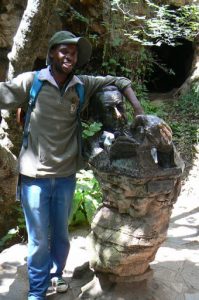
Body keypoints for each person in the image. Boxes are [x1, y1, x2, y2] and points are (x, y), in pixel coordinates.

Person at [0, 30, 144, 300]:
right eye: (64, 51)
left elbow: (119, 79)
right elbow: (3, 94)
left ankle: (56, 277)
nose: (69, 56)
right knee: (39, 240)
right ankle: (37, 291)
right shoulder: (32, 81)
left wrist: (137, 109)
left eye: (74, 52)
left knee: (62, 237)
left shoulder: (81, 85)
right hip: (35, 177)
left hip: (66, 176)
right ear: (52, 53)